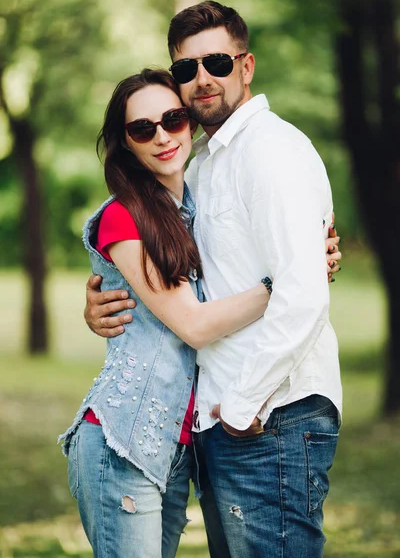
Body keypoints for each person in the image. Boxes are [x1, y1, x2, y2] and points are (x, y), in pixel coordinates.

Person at [84, 1, 343, 558]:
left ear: (246, 67)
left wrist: (245, 405)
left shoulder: (271, 152)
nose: (202, 80)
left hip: (270, 414)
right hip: (212, 425)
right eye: (186, 69)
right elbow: (187, 293)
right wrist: (105, 300)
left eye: (218, 63)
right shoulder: (198, 168)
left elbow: (300, 295)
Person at [59, 68, 276, 558]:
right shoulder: (124, 215)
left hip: (177, 450)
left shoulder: (194, 206)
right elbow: (195, 325)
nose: (162, 136)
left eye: (173, 119)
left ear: (190, 124)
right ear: (126, 144)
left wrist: (307, 250)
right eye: (142, 129)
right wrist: (283, 282)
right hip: (122, 441)